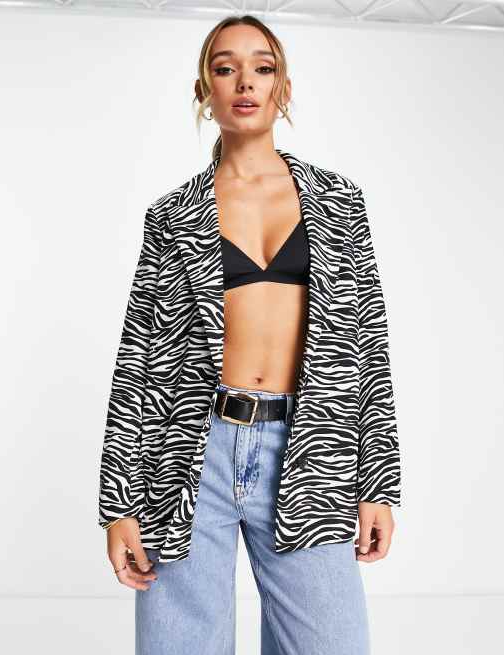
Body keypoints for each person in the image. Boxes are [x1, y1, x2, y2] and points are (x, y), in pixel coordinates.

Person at [98, 13, 401, 655]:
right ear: (204, 89)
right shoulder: (172, 215)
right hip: (189, 454)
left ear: (282, 87)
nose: (245, 82)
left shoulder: (339, 202)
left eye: (262, 68)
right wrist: (118, 503)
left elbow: (368, 345)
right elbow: (139, 360)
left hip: (311, 450)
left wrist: (379, 483)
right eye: (224, 67)